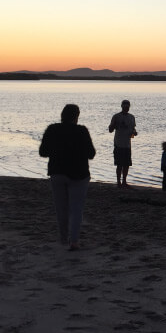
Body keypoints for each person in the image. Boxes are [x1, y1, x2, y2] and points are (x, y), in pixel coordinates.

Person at [39, 103, 96, 251]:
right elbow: (91, 154)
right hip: (79, 174)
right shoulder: (82, 131)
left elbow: (43, 152)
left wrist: (57, 151)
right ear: (76, 116)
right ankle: (74, 241)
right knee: (76, 208)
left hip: (57, 172)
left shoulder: (52, 129)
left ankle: (64, 237)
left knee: (61, 208)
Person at [109, 99, 137, 186]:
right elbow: (110, 130)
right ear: (121, 106)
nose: (126, 108)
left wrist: (134, 133)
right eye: (125, 106)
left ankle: (124, 181)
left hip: (127, 145)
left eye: (128, 106)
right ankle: (118, 182)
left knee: (127, 164)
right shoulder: (116, 116)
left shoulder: (132, 117)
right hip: (118, 144)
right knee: (119, 164)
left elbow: (133, 129)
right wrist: (114, 125)